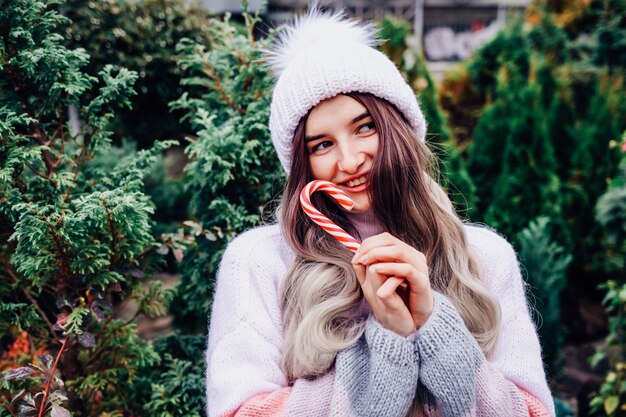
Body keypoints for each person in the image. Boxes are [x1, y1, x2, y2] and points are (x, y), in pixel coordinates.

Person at [205, 8, 555, 417]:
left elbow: (532, 411)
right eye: (321, 145)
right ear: (303, 165)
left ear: (400, 126)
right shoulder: (260, 262)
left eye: (365, 127)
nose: (350, 160)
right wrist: (384, 350)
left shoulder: (485, 256)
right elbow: (240, 411)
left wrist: (433, 325)